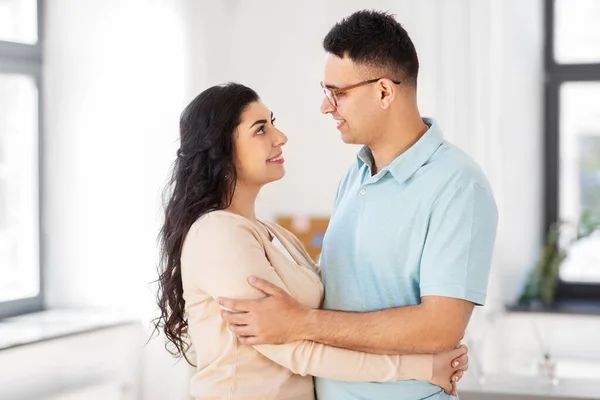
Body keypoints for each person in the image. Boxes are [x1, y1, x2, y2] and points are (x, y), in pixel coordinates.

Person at [218, 10, 499, 400]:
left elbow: (441, 327)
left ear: (385, 91)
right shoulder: (355, 175)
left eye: (339, 93)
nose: (326, 106)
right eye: (326, 91)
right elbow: (340, 291)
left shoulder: (459, 185)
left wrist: (302, 324)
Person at [154, 82, 469, 400]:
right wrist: (423, 367)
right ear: (221, 150)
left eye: (272, 123)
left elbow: (316, 320)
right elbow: (298, 350)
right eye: (261, 129)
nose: (280, 137)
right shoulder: (217, 234)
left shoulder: (275, 235)